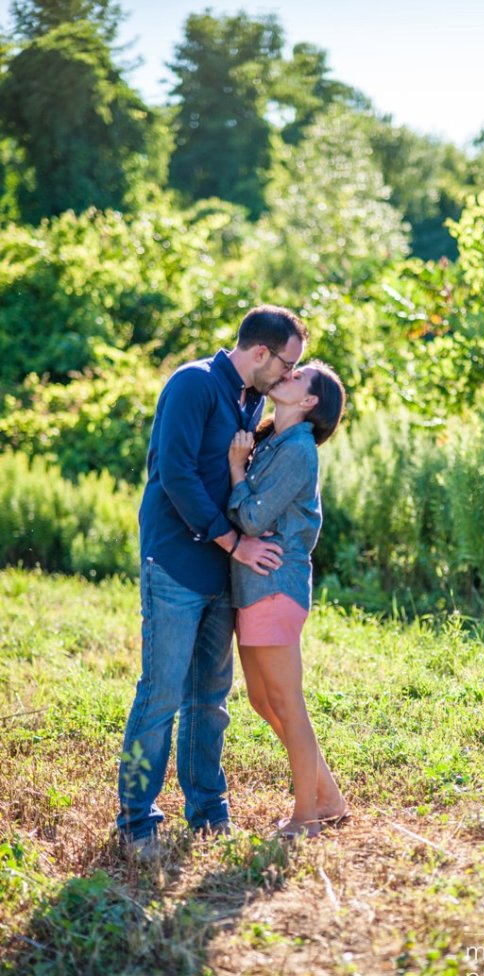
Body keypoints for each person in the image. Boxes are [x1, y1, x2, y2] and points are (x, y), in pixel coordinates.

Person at [117, 305, 308, 858]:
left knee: (210, 699)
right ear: (259, 353)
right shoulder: (193, 383)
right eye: (287, 363)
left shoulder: (250, 401)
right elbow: (171, 472)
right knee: (160, 695)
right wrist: (235, 543)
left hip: (224, 575)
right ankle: (135, 823)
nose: (289, 375)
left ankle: (207, 811)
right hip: (176, 565)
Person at [227, 360, 349, 840]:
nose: (288, 374)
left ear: (309, 401)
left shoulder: (298, 449)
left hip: (276, 587)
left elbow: (253, 520)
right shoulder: (273, 441)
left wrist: (237, 470)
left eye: (299, 377)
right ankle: (330, 796)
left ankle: (306, 818)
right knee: (262, 699)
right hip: (254, 587)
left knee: (287, 703)